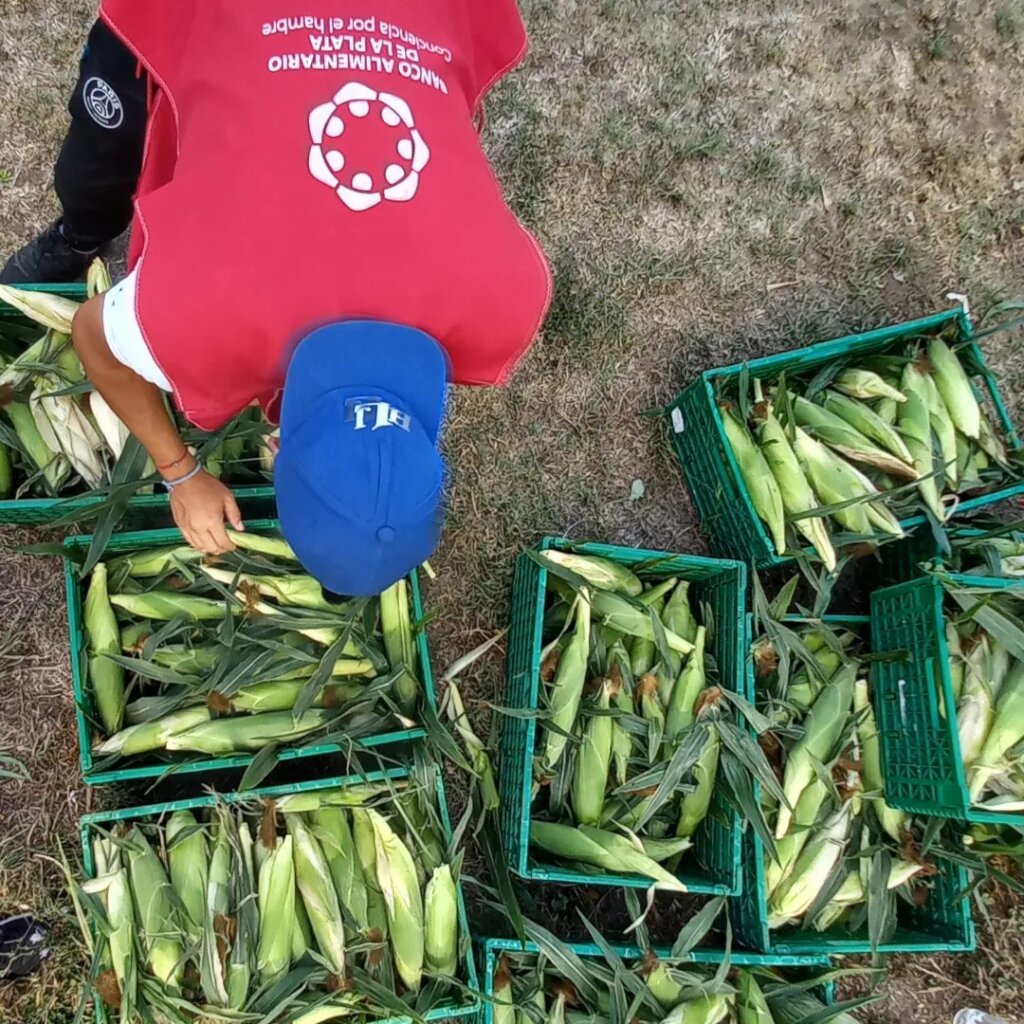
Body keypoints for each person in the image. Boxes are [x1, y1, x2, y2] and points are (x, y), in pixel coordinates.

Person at [1, 3, 551, 597]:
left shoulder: (512, 300)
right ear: (276, 449)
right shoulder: (195, 314)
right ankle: (80, 233)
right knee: (98, 166)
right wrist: (180, 473)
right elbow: (91, 335)